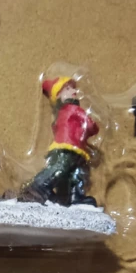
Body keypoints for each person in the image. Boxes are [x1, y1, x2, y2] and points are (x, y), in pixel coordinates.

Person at [20, 77, 100, 206]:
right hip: (67, 147)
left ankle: (72, 198)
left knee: (73, 175)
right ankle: (39, 186)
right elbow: (90, 125)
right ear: (58, 96)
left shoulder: (63, 112)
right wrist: (93, 125)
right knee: (60, 168)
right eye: (67, 89)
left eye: (73, 88)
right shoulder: (73, 109)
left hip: (73, 149)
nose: (73, 91)